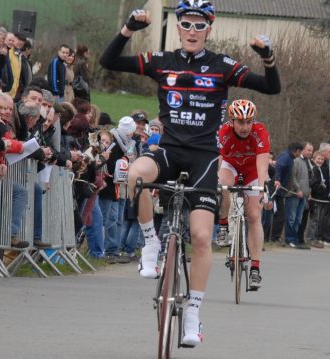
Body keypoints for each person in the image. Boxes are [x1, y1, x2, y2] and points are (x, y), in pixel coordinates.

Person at [101, 0, 280, 347]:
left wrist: (268, 57)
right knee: (135, 174)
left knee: (200, 237)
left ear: (209, 29)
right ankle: (151, 243)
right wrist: (128, 30)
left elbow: (270, 87)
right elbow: (108, 62)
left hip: (204, 159)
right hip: (168, 150)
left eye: (200, 25)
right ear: (178, 26)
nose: (193, 31)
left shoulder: (221, 66)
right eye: (187, 24)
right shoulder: (161, 61)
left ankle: (194, 315)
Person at [216, 99, 270, 289]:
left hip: (251, 172)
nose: (245, 126)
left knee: (254, 215)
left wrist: (265, 190)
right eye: (240, 122)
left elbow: (263, 167)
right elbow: (218, 160)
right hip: (230, 167)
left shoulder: (260, 131)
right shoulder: (223, 132)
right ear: (232, 121)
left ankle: (255, 267)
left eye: (249, 121)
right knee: (222, 184)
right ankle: (223, 225)